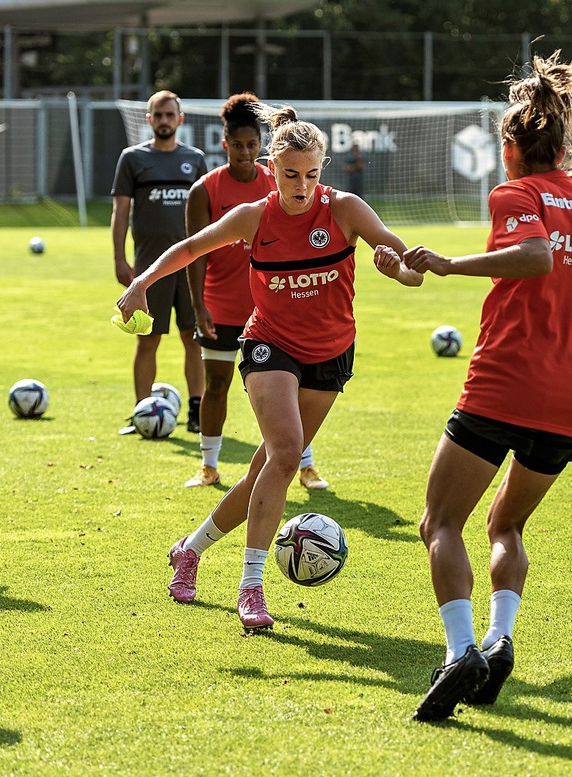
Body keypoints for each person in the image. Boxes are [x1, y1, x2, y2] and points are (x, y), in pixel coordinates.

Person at [374, 51, 572, 722]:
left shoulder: (516, 194)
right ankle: (499, 637)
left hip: (506, 385)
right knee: (506, 522)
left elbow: (535, 256)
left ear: (511, 147)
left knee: (439, 522)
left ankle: (460, 653)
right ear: (561, 145)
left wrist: (450, 264)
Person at [116, 101, 423, 631]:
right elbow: (190, 247)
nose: (300, 186)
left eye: (309, 175)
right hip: (269, 344)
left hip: (331, 353)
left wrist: (397, 270)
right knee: (286, 454)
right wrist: (141, 284)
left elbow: (410, 269)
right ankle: (252, 587)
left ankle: (189, 549)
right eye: (289, 175)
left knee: (266, 469)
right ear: (272, 169)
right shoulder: (253, 217)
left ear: (321, 170)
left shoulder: (347, 209)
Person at [183, 92, 330, 492]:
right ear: (224, 143)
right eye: (237, 145)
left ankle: (305, 465)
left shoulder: (281, 182)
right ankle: (209, 466)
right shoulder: (205, 190)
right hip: (220, 306)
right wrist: (198, 306)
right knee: (216, 385)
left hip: (272, 314)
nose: (245, 153)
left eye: (252, 145)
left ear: (261, 148)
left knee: (292, 393)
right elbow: (195, 253)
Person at [111, 89, 208, 435]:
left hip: (191, 264)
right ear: (148, 119)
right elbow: (120, 212)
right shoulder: (132, 159)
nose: (164, 120)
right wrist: (120, 258)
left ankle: (198, 411)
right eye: (158, 115)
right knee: (147, 339)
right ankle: (141, 414)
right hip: (149, 268)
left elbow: (207, 216)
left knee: (192, 337)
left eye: (170, 115)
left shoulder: (195, 159)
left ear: (180, 120)